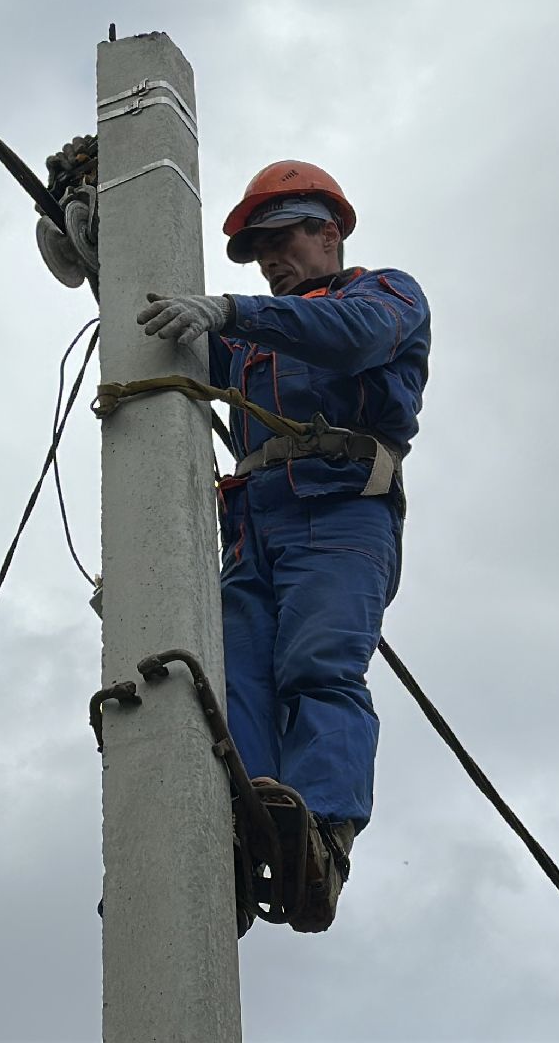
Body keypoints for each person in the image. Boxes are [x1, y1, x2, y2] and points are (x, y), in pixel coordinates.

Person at [134, 161, 430, 929]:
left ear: (327, 232)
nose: (270, 260)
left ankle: (322, 833)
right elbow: (171, 340)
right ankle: (238, 828)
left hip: (339, 514)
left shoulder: (385, 294)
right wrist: (106, 245)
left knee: (317, 666)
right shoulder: (250, 342)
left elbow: (355, 339)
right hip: (253, 526)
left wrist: (231, 310)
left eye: (280, 239)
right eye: (258, 249)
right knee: (235, 686)